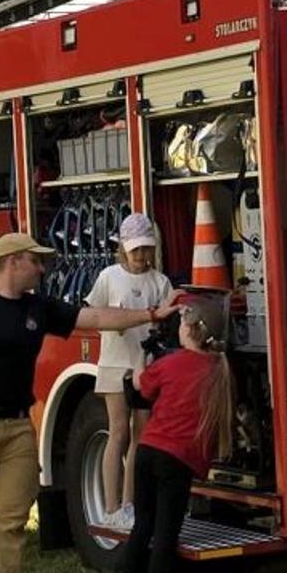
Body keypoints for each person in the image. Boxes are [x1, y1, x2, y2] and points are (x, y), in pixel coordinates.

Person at [0, 232, 183, 573]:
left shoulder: (39, 307)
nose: (43, 268)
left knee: (10, 520)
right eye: (36, 261)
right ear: (13, 261)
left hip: (17, 426)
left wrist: (152, 315)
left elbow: (98, 317)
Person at [108, 292, 236, 573]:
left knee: (143, 526)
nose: (178, 328)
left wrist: (141, 360)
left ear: (191, 329)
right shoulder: (218, 371)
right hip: (178, 461)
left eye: (181, 322)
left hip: (148, 451)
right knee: (166, 534)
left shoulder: (169, 363)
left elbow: (139, 389)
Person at [84, 212, 174, 533]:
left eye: (146, 249)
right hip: (113, 364)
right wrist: (117, 321)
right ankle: (110, 508)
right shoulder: (109, 277)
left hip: (144, 369)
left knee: (140, 436)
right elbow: (94, 315)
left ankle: (129, 504)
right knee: (117, 432)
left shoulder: (160, 282)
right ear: (122, 248)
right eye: (135, 250)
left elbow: (166, 324)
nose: (141, 256)